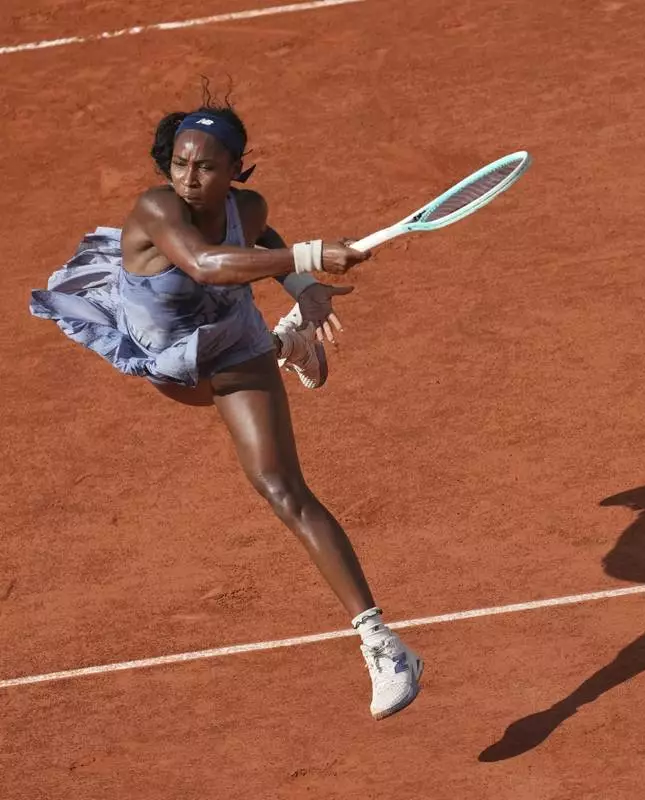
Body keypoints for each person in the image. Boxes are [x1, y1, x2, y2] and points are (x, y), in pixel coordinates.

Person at [28, 95, 422, 720]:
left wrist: (301, 284)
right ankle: (286, 343)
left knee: (280, 487)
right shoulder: (157, 208)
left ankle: (381, 643)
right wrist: (308, 257)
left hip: (231, 338)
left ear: (236, 169)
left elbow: (259, 236)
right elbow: (206, 264)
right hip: (167, 347)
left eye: (207, 166)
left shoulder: (249, 208)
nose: (189, 177)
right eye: (180, 163)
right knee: (185, 390)